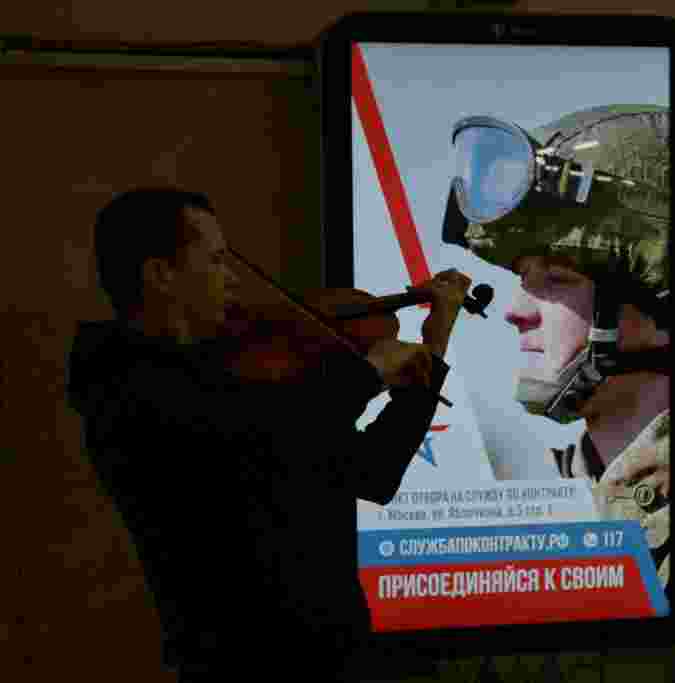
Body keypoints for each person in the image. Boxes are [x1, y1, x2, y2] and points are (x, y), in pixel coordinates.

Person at [65, 188, 472, 681]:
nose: (232, 278)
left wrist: (433, 349)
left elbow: (373, 472)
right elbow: (252, 431)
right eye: (215, 260)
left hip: (335, 654)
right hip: (242, 662)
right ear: (161, 275)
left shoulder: (244, 375)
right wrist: (363, 375)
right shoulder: (125, 387)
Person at [440, 105, 672, 588]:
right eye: (523, 278)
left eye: (558, 280)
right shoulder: (533, 498)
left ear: (661, 311)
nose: (515, 310)